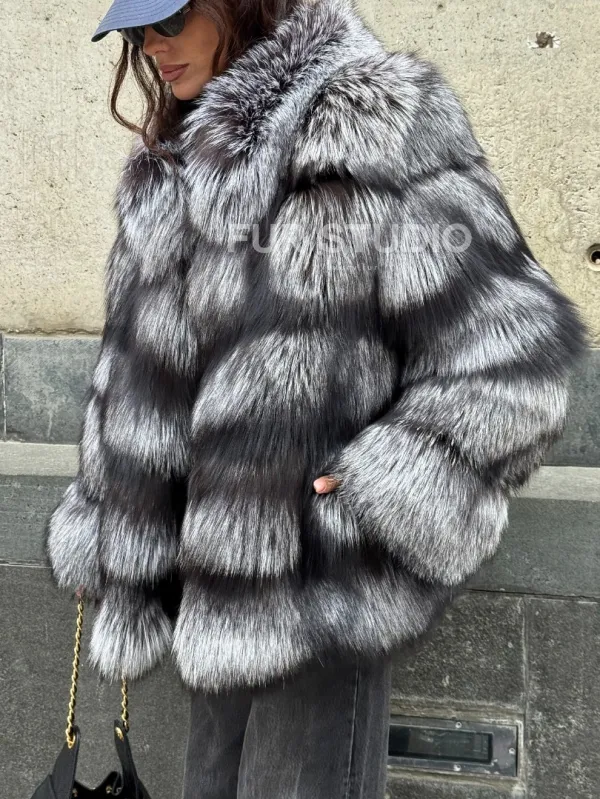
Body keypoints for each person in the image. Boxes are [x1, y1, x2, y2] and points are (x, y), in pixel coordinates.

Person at [44, 0, 589, 797]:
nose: (151, 47)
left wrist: (374, 497)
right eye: (134, 32)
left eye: (170, 18)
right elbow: (137, 365)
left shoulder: (372, 121)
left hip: (321, 590)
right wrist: (111, 517)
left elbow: (513, 356)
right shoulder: (174, 154)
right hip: (207, 589)